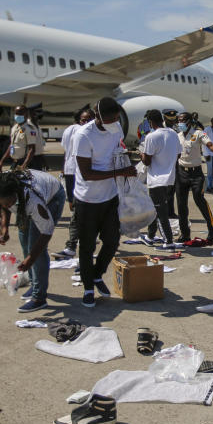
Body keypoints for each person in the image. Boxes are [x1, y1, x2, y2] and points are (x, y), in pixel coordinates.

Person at [73, 97, 138, 307]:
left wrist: (127, 161)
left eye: (116, 118)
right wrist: (120, 172)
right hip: (87, 199)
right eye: (110, 119)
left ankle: (97, 274)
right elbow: (87, 174)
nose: (114, 122)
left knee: (111, 241)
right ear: (97, 116)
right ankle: (88, 287)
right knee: (87, 246)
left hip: (109, 196)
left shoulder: (116, 127)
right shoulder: (83, 135)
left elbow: (117, 151)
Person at [0, 169, 66, 313]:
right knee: (24, 239)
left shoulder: (33, 200)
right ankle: (34, 284)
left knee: (35, 248)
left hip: (52, 197)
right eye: (3, 202)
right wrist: (4, 228)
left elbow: (46, 231)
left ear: (14, 195)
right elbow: (2, 206)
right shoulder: (1, 186)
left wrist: (30, 259)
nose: (6, 206)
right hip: (33, 195)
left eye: (8, 203)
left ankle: (39, 298)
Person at [54, 108, 94, 259]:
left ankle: (77, 242)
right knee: (77, 209)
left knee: (79, 209)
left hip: (79, 172)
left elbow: (66, 149)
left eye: (89, 119)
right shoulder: (84, 132)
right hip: (76, 172)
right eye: (84, 120)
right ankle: (73, 244)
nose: (86, 122)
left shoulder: (73, 130)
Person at [174, 112, 213, 242]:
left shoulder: (198, 133)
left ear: (188, 121)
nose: (179, 123)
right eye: (178, 121)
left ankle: (212, 227)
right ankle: (185, 234)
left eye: (182, 120)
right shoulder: (177, 136)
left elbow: (210, 145)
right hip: (181, 172)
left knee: (199, 199)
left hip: (196, 174)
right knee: (181, 205)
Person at [140, 109, 181, 248]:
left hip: (157, 179)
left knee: (160, 211)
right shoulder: (173, 134)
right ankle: (150, 236)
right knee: (154, 208)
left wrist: (141, 155)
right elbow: (179, 155)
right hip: (170, 179)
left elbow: (146, 161)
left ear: (151, 122)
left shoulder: (151, 137)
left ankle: (168, 241)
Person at [0, 105, 38, 171]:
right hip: (15, 162)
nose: (17, 115)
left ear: (26, 115)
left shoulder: (29, 129)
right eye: (16, 113)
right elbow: (11, 145)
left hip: (24, 162)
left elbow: (32, 149)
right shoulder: (14, 127)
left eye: (20, 113)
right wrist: (2, 161)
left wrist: (24, 166)